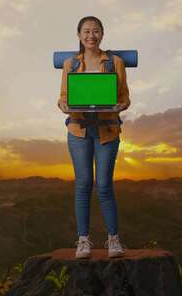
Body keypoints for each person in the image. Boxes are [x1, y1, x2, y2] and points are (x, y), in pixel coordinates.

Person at [57, 16, 131, 259]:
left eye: (96, 31)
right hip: (78, 130)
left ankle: (113, 240)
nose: (91, 35)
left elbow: (125, 97)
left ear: (102, 34)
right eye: (86, 31)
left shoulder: (115, 62)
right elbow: (63, 96)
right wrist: (64, 105)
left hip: (107, 130)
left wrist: (119, 106)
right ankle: (83, 240)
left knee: (104, 185)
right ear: (79, 35)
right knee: (83, 184)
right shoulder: (70, 64)